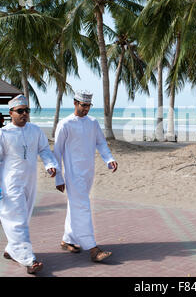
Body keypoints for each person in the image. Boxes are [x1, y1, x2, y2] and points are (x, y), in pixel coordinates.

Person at [0, 94, 58, 274]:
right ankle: (29, 260)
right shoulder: (3, 133)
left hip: (30, 182)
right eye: (20, 111)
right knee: (18, 220)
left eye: (27, 111)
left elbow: (44, 149)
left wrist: (50, 165)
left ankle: (12, 249)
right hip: (10, 184)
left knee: (22, 218)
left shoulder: (35, 130)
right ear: (11, 113)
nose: (24, 114)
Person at [54, 90, 118, 263]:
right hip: (72, 175)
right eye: (83, 105)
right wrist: (58, 178)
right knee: (82, 207)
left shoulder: (93, 123)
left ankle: (68, 240)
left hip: (88, 173)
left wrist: (109, 159)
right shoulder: (65, 124)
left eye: (89, 105)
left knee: (76, 205)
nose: (86, 109)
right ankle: (93, 248)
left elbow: (101, 143)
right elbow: (57, 152)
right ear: (75, 103)